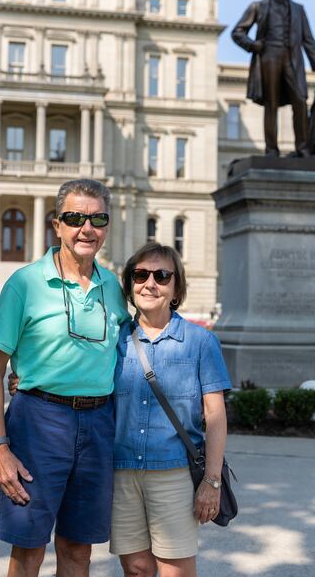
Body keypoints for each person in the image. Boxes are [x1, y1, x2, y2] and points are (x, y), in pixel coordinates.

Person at [0, 178, 129, 577]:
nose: (87, 228)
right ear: (57, 224)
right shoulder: (24, 284)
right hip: (38, 423)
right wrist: (0, 446)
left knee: (79, 550)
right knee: (29, 551)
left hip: (98, 425)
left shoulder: (112, 286)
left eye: (98, 218)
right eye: (75, 217)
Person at [110, 242, 232, 577]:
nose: (150, 283)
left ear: (176, 288)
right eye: (141, 274)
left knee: (174, 571)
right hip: (122, 472)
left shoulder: (200, 342)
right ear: (129, 284)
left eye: (162, 275)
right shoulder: (113, 340)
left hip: (174, 475)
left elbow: (216, 418)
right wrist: (23, 378)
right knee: (135, 569)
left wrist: (212, 481)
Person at [231, 0, 315, 157]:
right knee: (272, 103)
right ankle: (271, 149)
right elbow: (237, 32)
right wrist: (253, 45)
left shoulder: (298, 10)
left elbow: (308, 40)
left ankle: (302, 148)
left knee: (300, 100)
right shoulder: (258, 6)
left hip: (293, 58)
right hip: (269, 56)